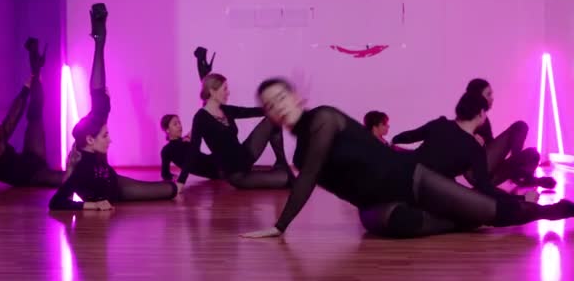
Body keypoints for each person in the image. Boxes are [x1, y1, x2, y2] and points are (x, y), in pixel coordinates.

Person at [240, 78, 574, 239]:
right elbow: (321, 177)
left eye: (282, 96)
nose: (278, 106)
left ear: (298, 97)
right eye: (270, 105)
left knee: (495, 213)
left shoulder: (324, 118)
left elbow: (309, 177)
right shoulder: (299, 150)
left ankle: (555, 210)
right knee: (392, 224)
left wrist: (279, 226)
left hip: (410, 179)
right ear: (269, 115)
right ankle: (460, 219)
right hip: (377, 206)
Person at [49, 3, 177, 210]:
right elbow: (56, 203)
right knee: (171, 191)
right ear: (90, 140)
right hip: (114, 192)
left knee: (171, 190)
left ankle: (99, 42)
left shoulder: (90, 145)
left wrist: (103, 99)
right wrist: (91, 206)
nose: (111, 140)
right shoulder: (81, 169)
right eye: (105, 136)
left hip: (116, 184)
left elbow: (99, 108)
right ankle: (99, 42)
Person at [0, 38, 64, 189]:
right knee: (64, 179)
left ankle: (35, 66)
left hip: (32, 157)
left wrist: (25, 89)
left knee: (35, 114)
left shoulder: (1, 136)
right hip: (29, 177)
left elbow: (14, 114)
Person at [176, 72, 294, 192]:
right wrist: (181, 181)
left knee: (271, 118)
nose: (228, 93)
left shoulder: (226, 110)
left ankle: (281, 163)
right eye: (225, 89)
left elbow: (251, 111)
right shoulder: (201, 118)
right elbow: (193, 151)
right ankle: (281, 171)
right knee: (285, 179)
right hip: (236, 174)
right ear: (212, 91)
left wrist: (275, 106)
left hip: (245, 156)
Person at [391, 92, 523, 197]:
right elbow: (484, 187)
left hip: (406, 179)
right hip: (432, 191)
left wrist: (393, 141)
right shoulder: (474, 148)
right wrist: (520, 199)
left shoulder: (440, 124)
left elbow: (410, 136)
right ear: (481, 113)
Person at [466, 78, 554, 188]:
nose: (492, 98)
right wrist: (472, 138)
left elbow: (491, 146)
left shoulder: (483, 118)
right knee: (520, 126)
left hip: (488, 177)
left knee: (533, 154)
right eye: (488, 94)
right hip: (475, 172)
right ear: (478, 96)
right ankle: (520, 172)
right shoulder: (469, 115)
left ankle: (523, 176)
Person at [159, 114, 220, 181]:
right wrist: (174, 177)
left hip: (215, 163)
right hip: (215, 169)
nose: (179, 126)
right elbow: (165, 174)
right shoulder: (167, 150)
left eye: (179, 123)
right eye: (175, 124)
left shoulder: (186, 140)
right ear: (167, 129)